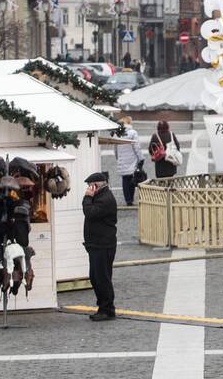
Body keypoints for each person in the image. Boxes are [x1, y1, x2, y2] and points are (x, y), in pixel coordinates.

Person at [82, 171, 118, 321]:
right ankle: (103, 306)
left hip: (103, 245)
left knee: (102, 278)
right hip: (96, 244)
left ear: (96, 185)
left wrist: (87, 197)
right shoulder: (100, 197)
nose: (88, 189)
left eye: (90, 186)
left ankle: (107, 308)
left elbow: (89, 213)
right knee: (95, 277)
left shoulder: (105, 199)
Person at [114, 117, 145, 206]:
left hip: (122, 159)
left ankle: (127, 199)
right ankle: (131, 199)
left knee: (125, 180)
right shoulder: (133, 133)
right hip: (132, 160)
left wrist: (118, 158)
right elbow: (137, 147)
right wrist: (141, 158)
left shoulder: (117, 134)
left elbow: (115, 149)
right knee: (132, 179)